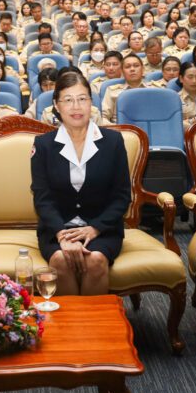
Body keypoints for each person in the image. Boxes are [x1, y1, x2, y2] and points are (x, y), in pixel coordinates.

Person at [30, 72, 131, 296]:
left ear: (91, 102)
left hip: (102, 228)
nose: (76, 106)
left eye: (82, 98)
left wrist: (95, 228)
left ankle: (93, 319)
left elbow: (122, 196)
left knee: (95, 260)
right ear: (56, 105)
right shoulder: (44, 145)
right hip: (57, 229)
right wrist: (61, 235)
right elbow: (42, 198)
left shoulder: (113, 141)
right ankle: (70, 319)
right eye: (68, 100)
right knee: (60, 259)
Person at [101, 55, 163, 123]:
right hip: (121, 127)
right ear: (122, 71)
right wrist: (115, 128)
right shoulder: (112, 91)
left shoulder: (156, 90)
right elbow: (103, 117)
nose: (132, 69)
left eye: (136, 66)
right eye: (127, 67)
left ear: (143, 69)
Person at [177, 62, 196, 130]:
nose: (194, 81)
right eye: (190, 77)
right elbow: (175, 123)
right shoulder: (176, 99)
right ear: (181, 78)